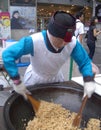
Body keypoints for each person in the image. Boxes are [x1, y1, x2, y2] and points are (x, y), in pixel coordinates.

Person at [2, 11, 99, 100]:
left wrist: (88, 79)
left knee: (54, 104)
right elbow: (8, 55)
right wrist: (16, 80)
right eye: (60, 40)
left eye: (67, 41)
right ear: (50, 33)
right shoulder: (34, 41)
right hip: (35, 79)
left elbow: (84, 62)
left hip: (55, 79)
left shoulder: (72, 43)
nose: (64, 44)